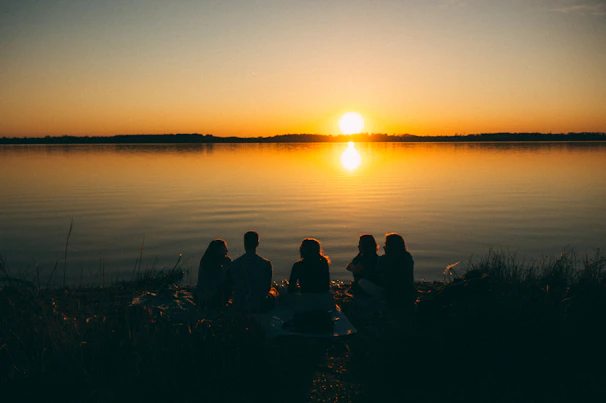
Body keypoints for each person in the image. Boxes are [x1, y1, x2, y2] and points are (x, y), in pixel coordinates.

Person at [287, 238, 333, 333]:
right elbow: (326, 286)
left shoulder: (298, 266)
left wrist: (298, 289)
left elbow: (290, 288)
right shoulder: (324, 264)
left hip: (306, 301)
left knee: (281, 291)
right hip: (324, 301)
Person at [227, 231, 277, 314]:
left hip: (240, 304)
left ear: (244, 243)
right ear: (257, 244)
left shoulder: (234, 264)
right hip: (259, 305)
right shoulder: (266, 264)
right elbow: (267, 288)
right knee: (274, 291)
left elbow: (230, 285)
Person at [376, 233, 415, 309]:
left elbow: (378, 277)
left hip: (390, 296)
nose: (384, 246)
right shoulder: (407, 257)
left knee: (363, 283)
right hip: (409, 295)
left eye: (385, 244)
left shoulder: (383, 260)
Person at [196, 238, 231, 308]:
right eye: (224, 249)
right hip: (209, 297)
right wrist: (227, 269)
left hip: (201, 293)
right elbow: (220, 280)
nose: (227, 251)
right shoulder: (212, 264)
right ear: (217, 250)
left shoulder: (207, 259)